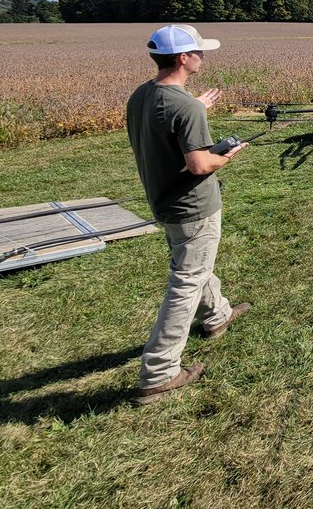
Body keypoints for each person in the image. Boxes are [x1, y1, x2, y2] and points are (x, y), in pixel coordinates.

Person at [126, 24, 250, 406]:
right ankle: (160, 371)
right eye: (198, 52)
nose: (202, 57)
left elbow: (165, 124)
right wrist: (225, 155)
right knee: (187, 279)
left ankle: (217, 316)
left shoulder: (144, 95)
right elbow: (198, 165)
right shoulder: (185, 106)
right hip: (192, 206)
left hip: (163, 199)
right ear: (183, 58)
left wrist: (195, 107)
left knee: (193, 263)